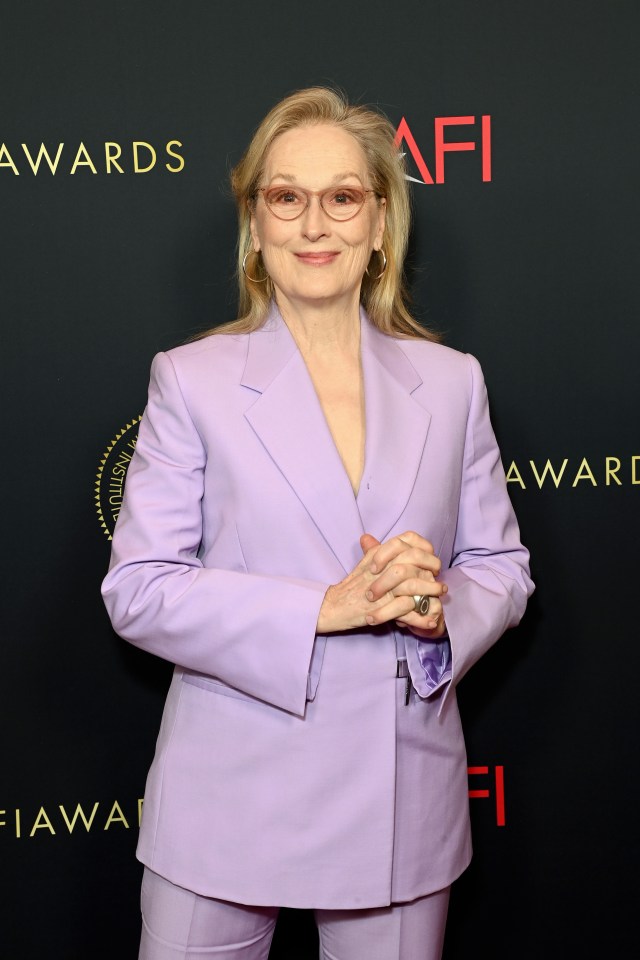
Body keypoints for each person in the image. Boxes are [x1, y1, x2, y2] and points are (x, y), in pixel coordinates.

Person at [102, 86, 533, 960]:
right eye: (285, 197)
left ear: (380, 222)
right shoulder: (192, 380)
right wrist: (325, 608)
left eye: (342, 197)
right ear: (255, 223)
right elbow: (139, 590)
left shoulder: (451, 382)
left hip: (401, 804)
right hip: (228, 801)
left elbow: (500, 564)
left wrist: (443, 612)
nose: (314, 224)